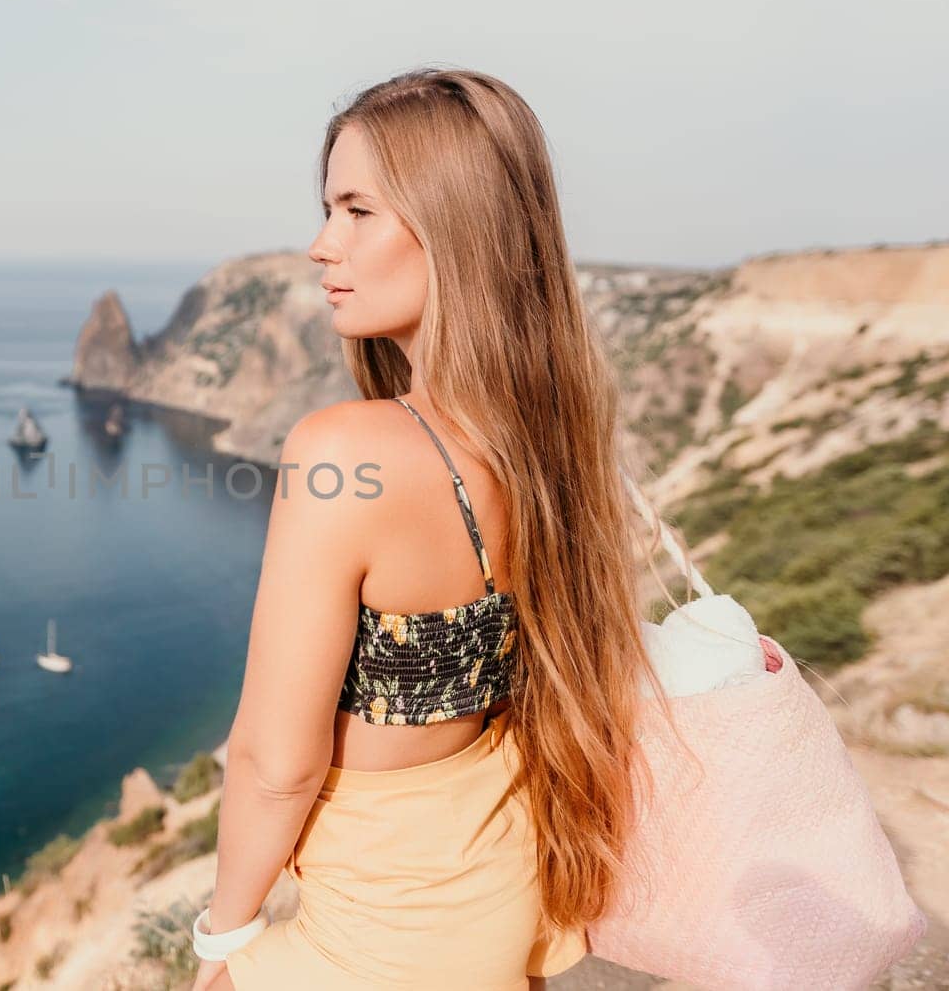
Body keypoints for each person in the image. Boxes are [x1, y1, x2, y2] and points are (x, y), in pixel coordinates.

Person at [191, 67, 666, 990]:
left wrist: (222, 940)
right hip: (501, 906)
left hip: (377, 950)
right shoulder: (548, 439)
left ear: (455, 227)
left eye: (357, 210)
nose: (322, 245)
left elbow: (273, 762)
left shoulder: (346, 453)